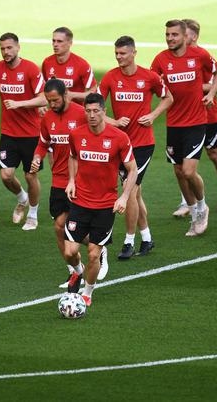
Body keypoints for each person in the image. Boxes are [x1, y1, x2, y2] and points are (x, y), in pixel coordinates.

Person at [99, 35, 173, 259]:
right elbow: (94, 106)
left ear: (133, 53)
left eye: (122, 53)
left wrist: (153, 115)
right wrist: (113, 122)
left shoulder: (149, 77)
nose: (118, 57)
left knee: (129, 192)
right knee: (135, 194)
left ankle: (128, 242)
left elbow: (168, 98)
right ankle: (147, 238)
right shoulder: (111, 77)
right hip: (120, 144)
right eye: (116, 54)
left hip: (142, 145)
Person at [31, 78, 109, 287]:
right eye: (48, 100)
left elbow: (99, 133)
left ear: (65, 95)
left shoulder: (81, 114)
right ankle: (75, 270)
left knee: (72, 228)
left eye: (55, 100)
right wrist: (37, 157)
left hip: (80, 182)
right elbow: (43, 143)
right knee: (59, 227)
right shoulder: (47, 117)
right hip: (58, 180)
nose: (52, 104)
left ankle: (98, 247)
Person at [151, 20, 217, 236]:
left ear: (184, 36)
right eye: (167, 34)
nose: (170, 38)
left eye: (174, 34)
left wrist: (210, 94)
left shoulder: (199, 56)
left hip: (196, 122)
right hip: (174, 123)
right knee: (179, 172)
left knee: (189, 171)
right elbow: (149, 81)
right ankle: (193, 212)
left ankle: (202, 207)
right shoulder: (161, 59)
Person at [65, 93, 137, 307]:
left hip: (105, 205)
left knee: (93, 255)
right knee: (70, 252)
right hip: (80, 201)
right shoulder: (76, 135)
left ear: (104, 112)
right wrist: (71, 181)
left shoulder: (119, 138)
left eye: (96, 111)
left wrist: (124, 196)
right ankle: (78, 272)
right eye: (88, 111)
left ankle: (87, 292)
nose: (92, 115)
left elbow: (132, 169)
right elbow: (73, 156)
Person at [0, 33, 45, 231]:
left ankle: (32, 214)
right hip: (9, 133)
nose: (5, 52)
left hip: (32, 134)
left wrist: (19, 103)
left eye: (9, 48)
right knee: (6, 175)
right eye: (2, 49)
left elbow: (43, 99)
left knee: (30, 176)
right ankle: (22, 198)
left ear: (18, 47)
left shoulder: (31, 69)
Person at [171, 19, 217, 217]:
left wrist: (192, 87)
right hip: (185, 118)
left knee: (214, 154)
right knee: (182, 164)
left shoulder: (202, 56)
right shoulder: (175, 58)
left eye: (185, 34)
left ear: (194, 36)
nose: (180, 37)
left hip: (208, 114)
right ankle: (186, 202)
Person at [42, 27, 97, 102]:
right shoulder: (47, 62)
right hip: (55, 110)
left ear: (70, 43)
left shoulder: (82, 64)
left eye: (59, 41)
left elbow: (93, 93)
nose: (55, 44)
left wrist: (72, 95)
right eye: (53, 41)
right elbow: (43, 88)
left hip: (76, 112)